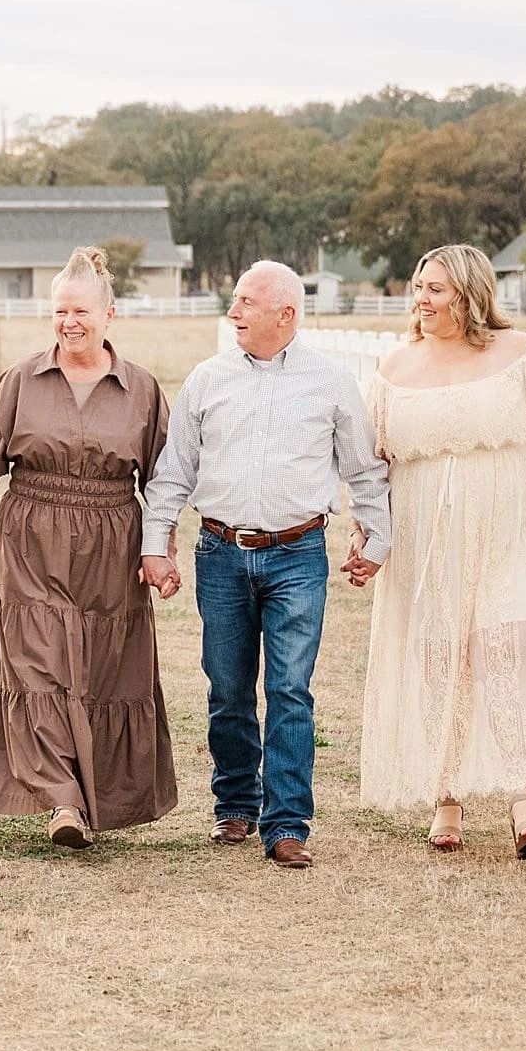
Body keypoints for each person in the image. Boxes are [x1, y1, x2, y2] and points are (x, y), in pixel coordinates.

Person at [358, 244, 526, 859]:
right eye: (420, 287)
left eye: (437, 290)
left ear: (471, 295)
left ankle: (523, 796)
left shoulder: (525, 357)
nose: (422, 300)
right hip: (426, 535)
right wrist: (364, 534)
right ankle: (445, 793)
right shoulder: (394, 367)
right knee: (439, 651)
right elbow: (373, 463)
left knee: (509, 646)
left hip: (509, 527)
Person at [141, 260, 390, 869]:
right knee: (227, 687)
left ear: (287, 314)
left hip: (299, 555)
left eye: (246, 302)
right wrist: (157, 541)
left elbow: (362, 469)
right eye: (234, 300)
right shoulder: (206, 380)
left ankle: (287, 822)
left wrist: (375, 540)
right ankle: (235, 803)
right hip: (221, 553)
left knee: (289, 689)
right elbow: (174, 471)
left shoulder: (331, 383)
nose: (233, 312)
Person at [0, 247, 176, 849]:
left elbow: (163, 483)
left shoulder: (142, 390)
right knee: (39, 664)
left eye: (80, 311)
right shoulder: (22, 379)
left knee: (101, 670)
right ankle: (62, 802)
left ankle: (90, 790)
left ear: (109, 315)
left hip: (112, 543)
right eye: (58, 311)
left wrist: (162, 551)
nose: (68, 322)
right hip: (32, 539)